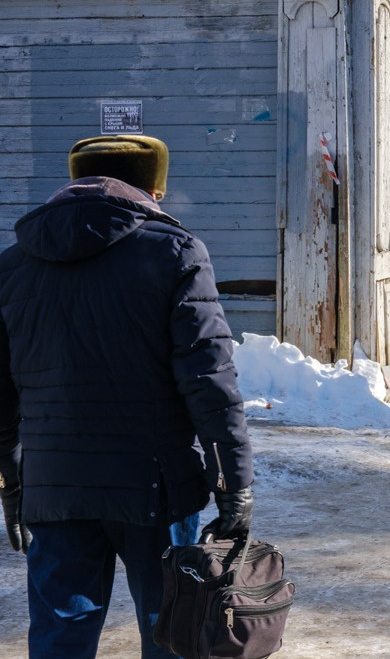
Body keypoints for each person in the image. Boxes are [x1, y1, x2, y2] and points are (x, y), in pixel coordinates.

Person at [0, 135, 254, 659]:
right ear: (152, 189)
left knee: (59, 641)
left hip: (55, 488)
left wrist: (13, 483)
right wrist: (234, 483)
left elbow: (2, 394)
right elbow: (210, 380)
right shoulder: (176, 252)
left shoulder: (13, 265)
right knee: (172, 633)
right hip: (155, 490)